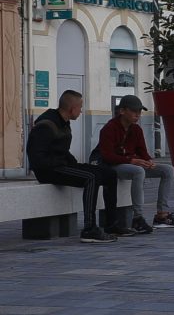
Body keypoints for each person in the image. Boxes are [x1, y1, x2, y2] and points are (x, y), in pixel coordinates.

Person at [26, 90, 136, 243]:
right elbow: (37, 158)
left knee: (109, 174)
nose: (81, 111)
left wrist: (74, 164)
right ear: (72, 109)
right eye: (80, 107)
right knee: (92, 177)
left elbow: (62, 151)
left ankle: (111, 224)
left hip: (61, 165)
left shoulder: (63, 123)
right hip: (48, 171)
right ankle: (89, 229)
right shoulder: (46, 125)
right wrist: (63, 164)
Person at [98, 95, 174, 233]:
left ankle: (162, 214)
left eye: (139, 111)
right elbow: (107, 156)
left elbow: (142, 151)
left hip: (131, 164)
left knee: (168, 170)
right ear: (122, 111)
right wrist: (131, 161)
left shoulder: (136, 129)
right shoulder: (109, 128)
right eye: (134, 111)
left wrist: (149, 161)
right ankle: (137, 218)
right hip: (113, 165)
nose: (138, 115)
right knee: (138, 171)